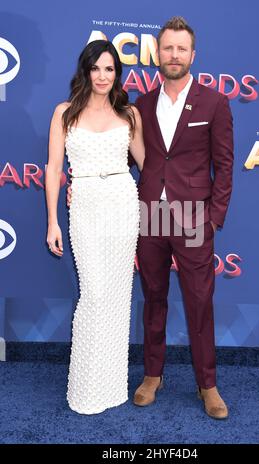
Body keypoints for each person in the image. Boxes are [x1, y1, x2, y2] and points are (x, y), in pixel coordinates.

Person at [68, 16, 234, 420]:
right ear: (156, 54)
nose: (174, 55)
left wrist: (213, 217)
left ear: (193, 55)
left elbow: (225, 165)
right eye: (167, 48)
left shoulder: (214, 102)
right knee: (153, 298)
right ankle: (152, 375)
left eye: (181, 49)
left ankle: (207, 384)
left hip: (193, 214)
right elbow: (117, 153)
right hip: (147, 214)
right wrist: (85, 180)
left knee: (199, 301)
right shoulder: (139, 104)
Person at [45, 40, 145, 414]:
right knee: (95, 294)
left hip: (122, 201)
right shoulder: (65, 113)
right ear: (85, 70)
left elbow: (148, 165)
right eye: (96, 68)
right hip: (85, 202)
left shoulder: (129, 114)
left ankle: (112, 385)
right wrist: (52, 220)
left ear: (117, 73)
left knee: (117, 298)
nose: (103, 76)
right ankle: (86, 387)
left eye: (110, 69)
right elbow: (54, 169)